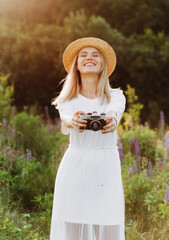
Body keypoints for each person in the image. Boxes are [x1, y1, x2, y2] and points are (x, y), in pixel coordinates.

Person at [50, 37, 126, 240]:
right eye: (83, 55)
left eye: (95, 55)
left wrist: (110, 120)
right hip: (76, 167)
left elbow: (114, 112)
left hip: (105, 169)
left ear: (103, 64)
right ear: (76, 64)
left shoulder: (116, 96)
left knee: (109, 229)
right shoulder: (67, 100)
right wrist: (72, 121)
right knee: (75, 232)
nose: (89, 58)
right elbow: (65, 117)